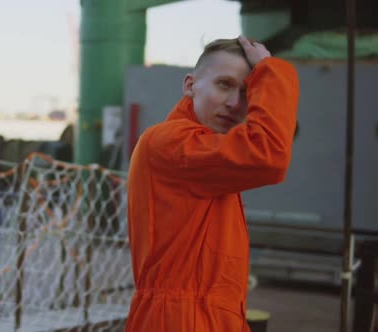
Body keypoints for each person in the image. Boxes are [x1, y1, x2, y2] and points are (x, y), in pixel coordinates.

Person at [125, 36, 299, 331]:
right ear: (190, 85)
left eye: (246, 92)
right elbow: (268, 155)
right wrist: (270, 70)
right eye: (224, 85)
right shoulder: (169, 142)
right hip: (181, 320)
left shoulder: (204, 155)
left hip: (207, 316)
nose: (234, 104)